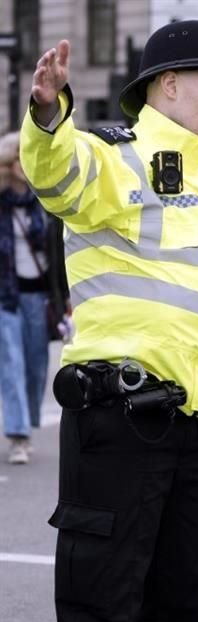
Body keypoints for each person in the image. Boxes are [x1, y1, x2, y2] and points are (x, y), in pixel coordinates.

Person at [21, 21, 198, 622]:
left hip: (191, 424)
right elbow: (57, 173)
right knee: (104, 610)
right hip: (121, 417)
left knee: (177, 609)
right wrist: (49, 115)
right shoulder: (114, 152)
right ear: (169, 83)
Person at [0, 130, 63, 464]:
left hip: (38, 295)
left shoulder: (45, 204)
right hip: (5, 295)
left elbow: (58, 253)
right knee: (11, 363)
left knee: (37, 365)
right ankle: (18, 434)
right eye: (17, 160)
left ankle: (26, 422)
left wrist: (63, 295)